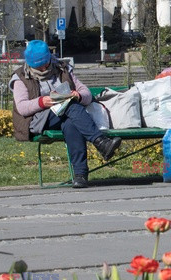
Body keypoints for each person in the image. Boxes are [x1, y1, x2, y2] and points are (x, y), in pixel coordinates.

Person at [10, 40, 121, 188]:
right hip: (38, 119)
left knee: (71, 123)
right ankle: (100, 142)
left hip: (64, 113)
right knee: (70, 106)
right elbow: (22, 107)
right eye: (38, 66)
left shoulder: (62, 68)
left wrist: (78, 95)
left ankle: (80, 175)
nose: (43, 68)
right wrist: (42, 102)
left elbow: (86, 93)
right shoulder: (21, 77)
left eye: (46, 63)